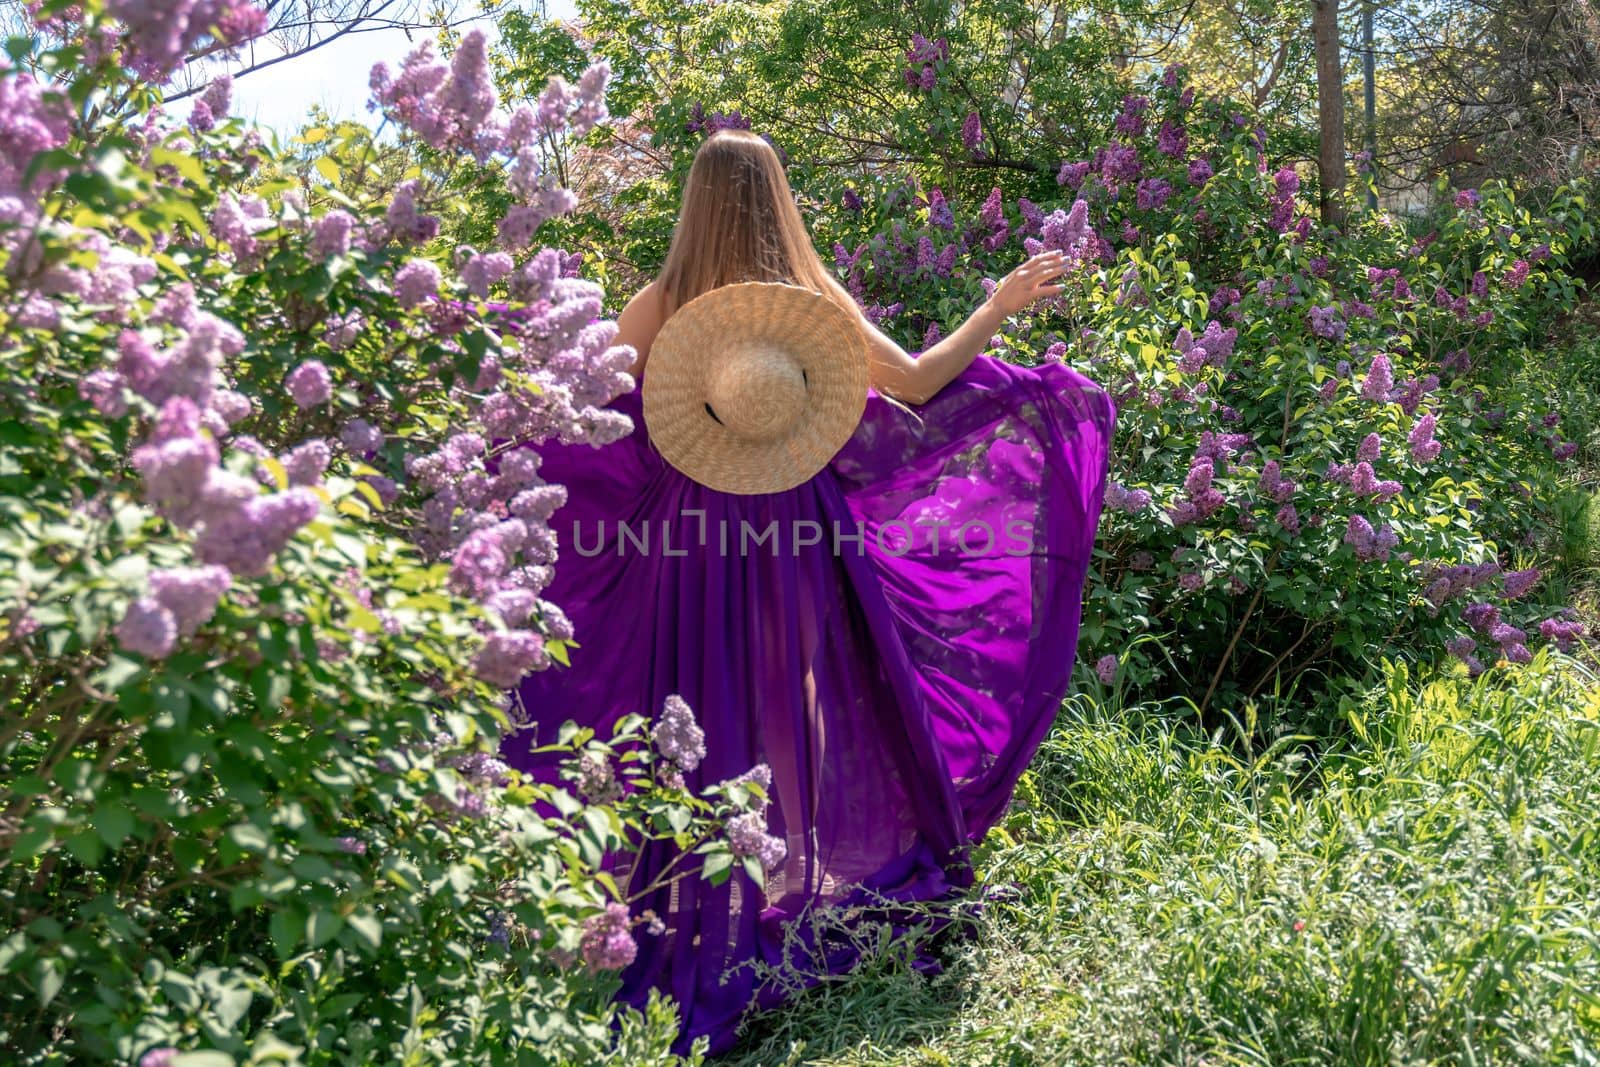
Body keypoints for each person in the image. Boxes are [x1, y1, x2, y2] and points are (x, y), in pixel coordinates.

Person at [500, 127, 1115, 1058]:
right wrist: (994, 307)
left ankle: (703, 903)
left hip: (685, 544)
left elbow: (590, 415)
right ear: (775, 200)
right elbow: (913, 381)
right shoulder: (807, 303)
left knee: (696, 708)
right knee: (797, 712)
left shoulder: (658, 301)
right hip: (794, 534)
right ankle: (788, 887)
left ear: (694, 204)